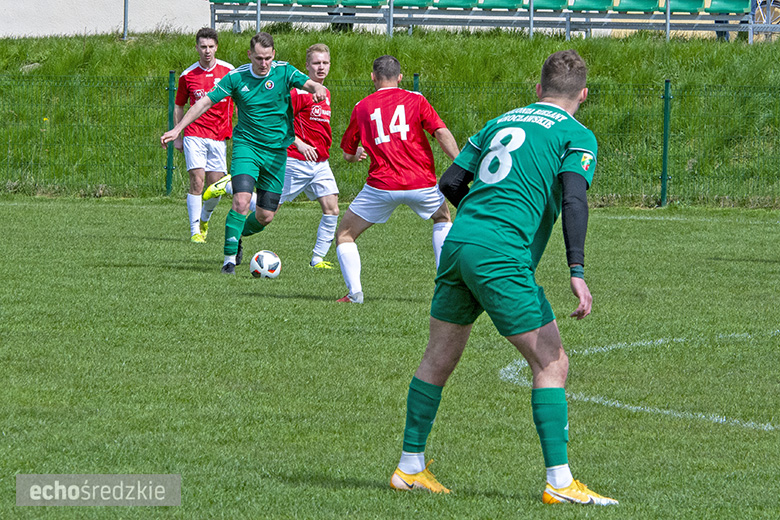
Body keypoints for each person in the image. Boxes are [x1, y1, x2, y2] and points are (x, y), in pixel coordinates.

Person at [389, 50, 618, 506]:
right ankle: (560, 481)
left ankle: (409, 466)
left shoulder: (500, 121)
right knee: (552, 363)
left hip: (458, 244)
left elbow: (451, 184)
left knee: (438, 356)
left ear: (538, 89)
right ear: (583, 95)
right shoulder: (576, 134)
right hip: (500, 253)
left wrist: (484, 213)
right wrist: (576, 270)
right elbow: (574, 200)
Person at [161, 32, 327, 274]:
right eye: (259, 58)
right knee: (241, 201)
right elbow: (204, 102)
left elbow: (309, 83)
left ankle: (236, 234)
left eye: (268, 58)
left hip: (277, 154)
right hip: (247, 148)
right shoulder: (236, 77)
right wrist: (178, 129)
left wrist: (317, 87)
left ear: (273, 56)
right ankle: (229, 260)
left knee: (266, 216)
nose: (263, 64)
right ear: (250, 55)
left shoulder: (284, 71)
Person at [336, 55, 459, 303]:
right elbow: (440, 133)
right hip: (421, 182)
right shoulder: (416, 99)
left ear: (373, 77)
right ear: (400, 77)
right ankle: (446, 289)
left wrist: (356, 154)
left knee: (345, 235)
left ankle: (355, 293)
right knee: (442, 218)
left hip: (382, 185)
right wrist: (460, 163)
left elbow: (348, 154)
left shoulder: (362, 107)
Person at [205, 43, 339, 269]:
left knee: (332, 208)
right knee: (265, 212)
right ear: (307, 66)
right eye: (316, 63)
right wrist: (299, 143)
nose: (321, 67)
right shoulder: (297, 92)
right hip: (294, 160)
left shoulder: (324, 93)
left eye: (325, 62)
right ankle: (231, 191)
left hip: (320, 162)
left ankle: (317, 259)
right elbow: (279, 121)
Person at [173, 27, 234, 243]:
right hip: (194, 134)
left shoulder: (229, 71)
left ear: (216, 47)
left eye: (211, 46)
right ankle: (195, 231)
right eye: (203, 46)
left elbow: (240, 101)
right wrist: (178, 135)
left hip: (218, 136)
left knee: (214, 186)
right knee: (196, 181)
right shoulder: (187, 75)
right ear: (197, 47)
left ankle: (205, 218)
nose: (207, 51)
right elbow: (179, 106)